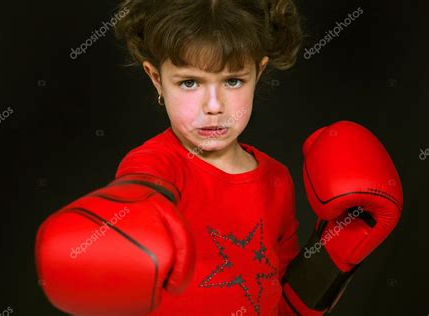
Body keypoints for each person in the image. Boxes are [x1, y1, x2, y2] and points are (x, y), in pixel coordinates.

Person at [35, 1, 403, 315]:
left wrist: (333, 251)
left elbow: (282, 297)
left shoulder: (276, 177)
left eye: (233, 81)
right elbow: (142, 188)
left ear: (258, 72)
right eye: (189, 82)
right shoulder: (158, 165)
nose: (214, 107)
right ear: (156, 79)